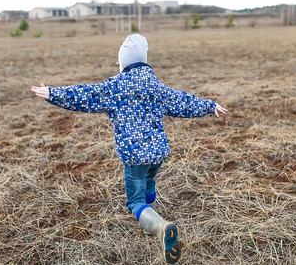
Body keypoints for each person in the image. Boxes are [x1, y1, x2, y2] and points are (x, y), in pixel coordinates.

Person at [30, 34, 228, 264]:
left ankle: (159, 227)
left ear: (122, 63)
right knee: (149, 182)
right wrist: (209, 105)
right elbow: (182, 101)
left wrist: (53, 93)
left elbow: (83, 95)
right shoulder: (156, 86)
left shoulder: (114, 88)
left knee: (134, 201)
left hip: (135, 157)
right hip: (158, 154)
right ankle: (149, 218)